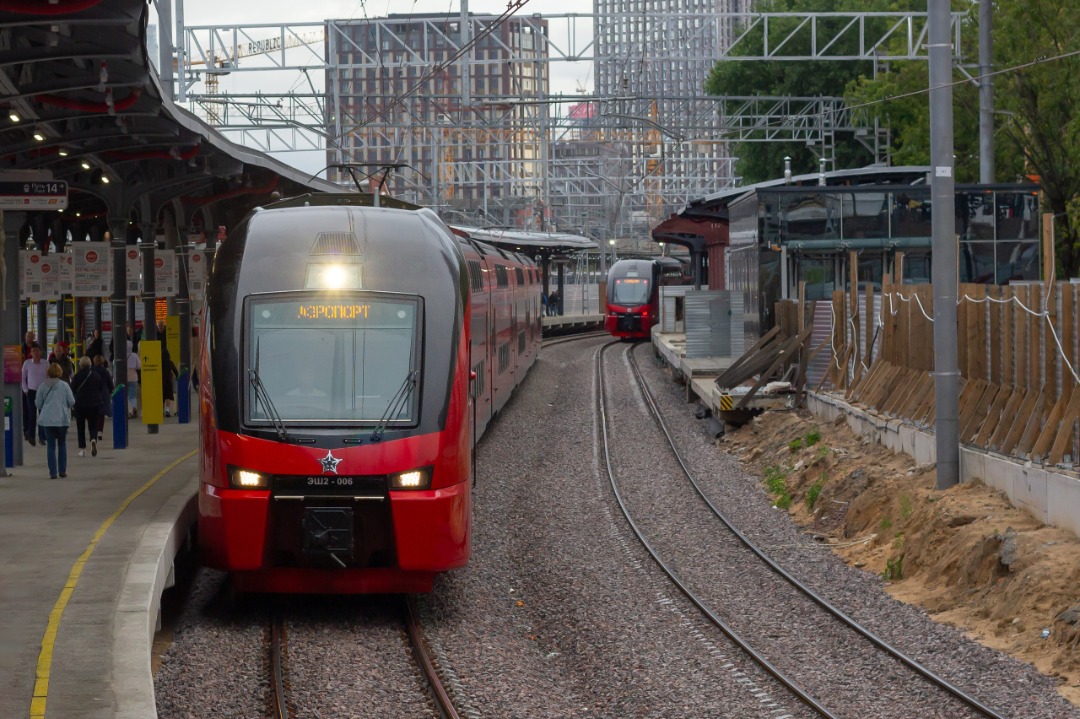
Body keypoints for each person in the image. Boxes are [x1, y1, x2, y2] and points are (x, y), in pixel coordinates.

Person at [36, 363, 75, 479]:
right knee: (62, 444)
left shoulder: (42, 386)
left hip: (47, 420)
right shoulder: (64, 386)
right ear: (60, 372)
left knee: (51, 446)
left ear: (48, 373)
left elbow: (38, 403)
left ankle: (53, 473)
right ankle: (62, 471)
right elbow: (72, 401)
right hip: (62, 419)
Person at [71, 356, 104, 458]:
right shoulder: (96, 375)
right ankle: (93, 439)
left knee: (80, 427)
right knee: (93, 425)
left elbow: (72, 389)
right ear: (90, 364)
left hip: (80, 404)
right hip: (94, 404)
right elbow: (101, 388)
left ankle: (82, 449)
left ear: (80, 365)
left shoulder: (77, 376)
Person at [21, 343, 48, 446]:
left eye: (37, 350)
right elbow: (23, 378)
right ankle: (31, 436)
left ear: (40, 352)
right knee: (32, 414)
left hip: (43, 392)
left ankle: (42, 437)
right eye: (34, 351)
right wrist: (25, 389)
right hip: (31, 392)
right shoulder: (27, 363)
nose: (36, 353)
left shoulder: (45, 363)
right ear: (31, 353)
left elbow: (49, 376)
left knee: (42, 415)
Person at [158, 323, 179, 417]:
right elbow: (175, 371)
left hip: (160, 380)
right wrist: (178, 376)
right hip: (168, 380)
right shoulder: (170, 362)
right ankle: (167, 410)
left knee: (161, 395)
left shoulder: (158, 362)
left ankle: (160, 411)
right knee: (168, 395)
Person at [92, 355, 113, 442]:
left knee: (94, 414)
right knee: (101, 415)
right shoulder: (106, 371)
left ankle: (94, 430)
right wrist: (110, 391)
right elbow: (110, 384)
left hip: (94, 393)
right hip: (104, 393)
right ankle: (100, 431)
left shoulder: (91, 371)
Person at [126, 341, 141, 418]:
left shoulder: (120, 354)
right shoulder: (134, 355)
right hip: (133, 377)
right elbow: (139, 366)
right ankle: (134, 407)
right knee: (132, 395)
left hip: (124, 378)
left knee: (126, 395)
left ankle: (129, 411)